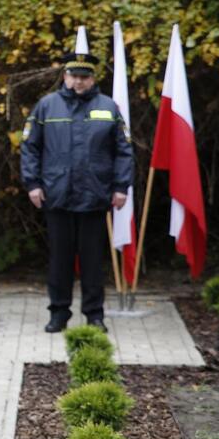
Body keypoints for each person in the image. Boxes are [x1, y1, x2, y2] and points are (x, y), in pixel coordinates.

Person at [20, 49, 133, 334]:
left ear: (92, 78)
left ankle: (94, 315)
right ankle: (59, 314)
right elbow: (30, 147)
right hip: (57, 195)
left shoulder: (108, 107)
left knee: (93, 262)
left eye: (84, 77)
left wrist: (121, 186)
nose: (78, 81)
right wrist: (33, 184)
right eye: (74, 76)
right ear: (65, 76)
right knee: (60, 260)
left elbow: (123, 150)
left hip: (95, 196)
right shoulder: (47, 106)